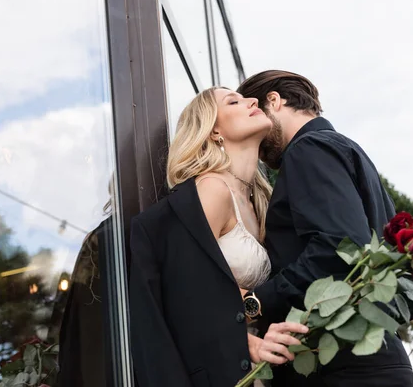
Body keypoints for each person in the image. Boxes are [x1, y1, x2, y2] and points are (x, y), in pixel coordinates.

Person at [236, 70, 413, 387]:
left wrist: (256, 302)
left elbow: (336, 248)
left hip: (343, 369)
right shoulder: (345, 151)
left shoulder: (309, 150)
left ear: (274, 101)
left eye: (255, 114)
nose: (259, 146)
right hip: (366, 360)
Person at [129, 87, 308, 387]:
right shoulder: (212, 190)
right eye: (233, 101)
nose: (253, 100)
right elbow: (185, 288)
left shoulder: (259, 201)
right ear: (214, 130)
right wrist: (247, 343)